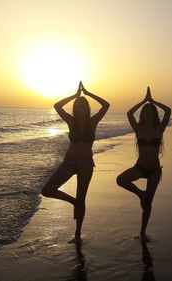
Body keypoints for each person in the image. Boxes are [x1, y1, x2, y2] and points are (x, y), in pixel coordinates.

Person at [41, 81, 109, 243]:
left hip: (86, 164)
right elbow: (57, 105)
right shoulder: (70, 121)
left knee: (82, 197)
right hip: (69, 162)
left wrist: (88, 93)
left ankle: (77, 235)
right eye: (77, 105)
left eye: (83, 105)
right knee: (47, 190)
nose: (80, 108)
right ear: (75, 108)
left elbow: (106, 105)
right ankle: (74, 202)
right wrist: (75, 95)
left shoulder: (93, 122)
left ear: (87, 108)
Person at [116, 87, 171, 241]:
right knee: (120, 180)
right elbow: (129, 113)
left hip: (154, 170)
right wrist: (142, 101)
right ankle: (141, 194)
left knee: (148, 204)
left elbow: (168, 111)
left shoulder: (160, 128)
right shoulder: (138, 129)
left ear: (154, 115)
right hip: (139, 167)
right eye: (145, 112)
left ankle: (142, 232)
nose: (148, 114)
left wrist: (153, 102)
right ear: (142, 114)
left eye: (151, 112)